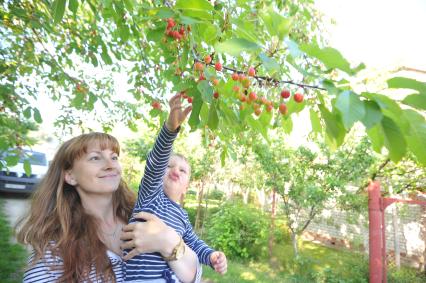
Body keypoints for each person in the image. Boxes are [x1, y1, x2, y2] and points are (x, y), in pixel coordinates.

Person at [16, 93, 201, 283]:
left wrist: (168, 242)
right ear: (70, 176)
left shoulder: (146, 214)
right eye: (95, 157)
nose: (110, 164)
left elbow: (194, 275)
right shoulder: (55, 252)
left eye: (114, 157)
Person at [124, 93, 227, 282]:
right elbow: (155, 165)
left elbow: (194, 244)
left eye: (183, 170)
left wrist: (212, 256)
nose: (175, 171)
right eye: (169, 166)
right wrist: (170, 130)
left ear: (187, 187)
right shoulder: (151, 197)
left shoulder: (182, 216)